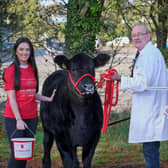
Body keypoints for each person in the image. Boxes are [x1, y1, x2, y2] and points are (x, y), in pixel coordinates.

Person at [110, 23, 168, 168]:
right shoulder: (149, 53)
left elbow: (142, 83)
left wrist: (120, 79)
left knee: (150, 150)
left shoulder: (148, 55)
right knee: (150, 149)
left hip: (152, 110)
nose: (136, 38)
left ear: (148, 36)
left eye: (140, 34)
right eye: (134, 35)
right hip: (152, 109)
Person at [3, 37, 56, 168]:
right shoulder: (11, 71)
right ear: (16, 51)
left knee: (25, 154)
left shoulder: (32, 69)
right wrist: (19, 120)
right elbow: (12, 98)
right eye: (21, 49)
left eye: (27, 49)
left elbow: (31, 93)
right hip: (14, 119)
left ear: (31, 52)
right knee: (17, 155)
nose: (24, 52)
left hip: (31, 117)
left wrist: (47, 99)